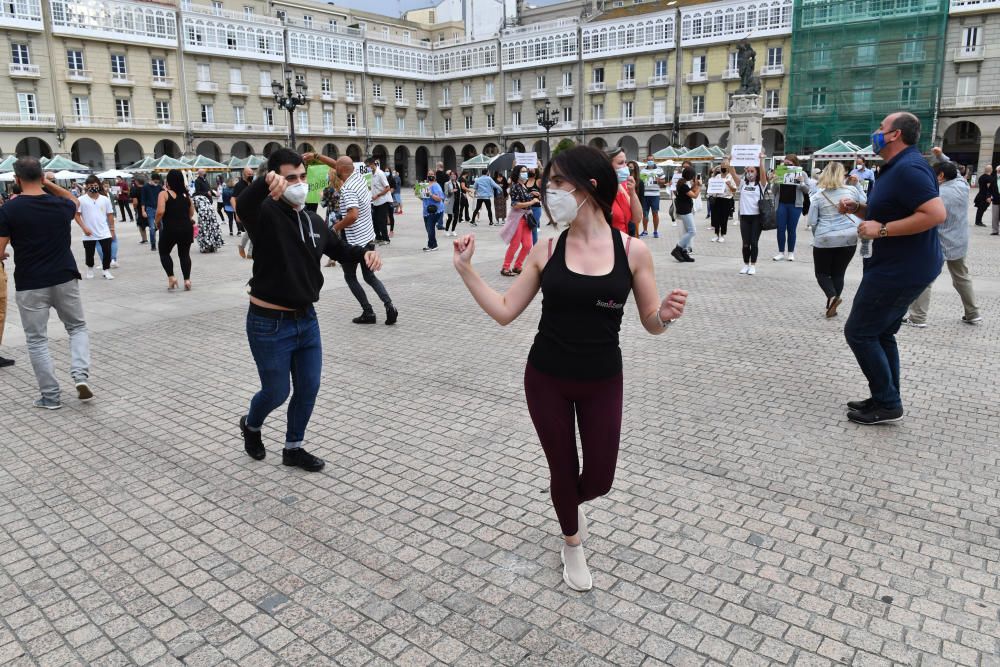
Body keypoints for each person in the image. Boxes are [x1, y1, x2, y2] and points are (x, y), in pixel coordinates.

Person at [452, 145, 688, 591]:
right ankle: (572, 542)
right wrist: (465, 270)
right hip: (546, 378)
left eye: (559, 183)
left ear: (589, 186)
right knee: (563, 467)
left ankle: (566, 499)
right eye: (549, 183)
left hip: (603, 380)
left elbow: (651, 323)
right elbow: (505, 311)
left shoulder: (633, 251)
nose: (549, 192)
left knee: (599, 477)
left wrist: (667, 317)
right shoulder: (546, 248)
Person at [235, 148, 384, 472]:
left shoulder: (313, 220)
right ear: (276, 179)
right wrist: (263, 182)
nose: (300, 184)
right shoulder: (266, 214)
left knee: (308, 388)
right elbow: (243, 205)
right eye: (291, 178)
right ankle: (251, 424)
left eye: (302, 177)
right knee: (276, 391)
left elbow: (339, 248)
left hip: (307, 321)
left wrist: (365, 255)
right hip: (269, 323)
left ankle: (293, 447)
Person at [838, 112, 946, 425]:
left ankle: (887, 402)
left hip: (902, 269)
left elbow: (935, 213)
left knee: (859, 332)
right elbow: (890, 210)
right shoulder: (896, 168)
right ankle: (886, 396)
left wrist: (881, 230)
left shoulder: (910, 168)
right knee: (882, 332)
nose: (876, 132)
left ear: (895, 134)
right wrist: (858, 209)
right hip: (897, 265)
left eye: (881, 128)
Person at [0, 158, 93, 409]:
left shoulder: (9, 209)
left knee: (37, 340)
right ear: (42, 176)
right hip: (64, 276)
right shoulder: (60, 204)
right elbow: (75, 201)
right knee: (77, 328)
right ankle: (80, 375)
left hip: (31, 282)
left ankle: (50, 397)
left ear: (16, 179)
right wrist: (49, 184)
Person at [904, 150, 981, 327]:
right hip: (960, 242)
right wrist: (941, 156)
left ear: (941, 176)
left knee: (924, 278)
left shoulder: (937, 196)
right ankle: (973, 313)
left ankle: (918, 317)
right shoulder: (962, 185)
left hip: (938, 243)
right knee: (962, 277)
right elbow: (953, 170)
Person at [324, 155, 398, 325]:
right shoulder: (357, 176)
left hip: (353, 242)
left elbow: (352, 215)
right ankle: (390, 306)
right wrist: (316, 156)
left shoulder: (348, 188)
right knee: (370, 277)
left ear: (341, 171)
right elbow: (340, 164)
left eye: (337, 169)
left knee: (350, 276)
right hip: (368, 237)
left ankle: (368, 312)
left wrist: (335, 228)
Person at [807, 162, 863, 318]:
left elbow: (812, 221)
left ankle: (832, 297)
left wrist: (816, 234)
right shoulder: (851, 191)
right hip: (848, 238)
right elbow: (864, 203)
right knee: (839, 273)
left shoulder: (818, 196)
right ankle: (833, 306)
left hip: (825, 238)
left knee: (822, 273)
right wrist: (857, 185)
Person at [155, 170, 195, 291]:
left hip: (171, 228)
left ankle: (172, 277)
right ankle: (187, 280)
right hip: (186, 228)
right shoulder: (186, 195)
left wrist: (156, 222)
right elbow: (191, 213)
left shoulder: (164, 194)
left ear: (169, 181)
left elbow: (160, 211)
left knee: (164, 252)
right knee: (184, 254)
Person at [76, 175, 116, 280]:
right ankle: (90, 269)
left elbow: (110, 214)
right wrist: (84, 227)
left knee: (107, 252)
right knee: (89, 253)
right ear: (86, 186)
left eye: (95, 185)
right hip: (88, 233)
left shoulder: (105, 199)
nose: (93, 187)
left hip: (104, 231)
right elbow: (76, 215)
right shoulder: (81, 200)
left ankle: (106, 270)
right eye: (91, 185)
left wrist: (112, 229)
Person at [773, 154, 811, 262]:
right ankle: (780, 252)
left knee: (791, 229)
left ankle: (791, 253)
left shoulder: (802, 173)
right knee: (780, 229)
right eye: (785, 163)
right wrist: (775, 181)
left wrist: (802, 182)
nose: (787, 166)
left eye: (789, 164)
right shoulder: (780, 172)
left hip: (795, 205)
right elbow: (774, 191)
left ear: (795, 164)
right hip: (781, 204)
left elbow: (807, 190)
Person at [502, 165, 537, 276]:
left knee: (527, 245)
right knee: (515, 244)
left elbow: (523, 197)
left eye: (526, 171)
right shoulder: (515, 186)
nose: (525, 173)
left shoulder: (523, 186)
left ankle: (517, 266)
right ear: (517, 173)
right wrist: (531, 202)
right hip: (518, 219)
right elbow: (515, 204)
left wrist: (531, 194)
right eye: (523, 171)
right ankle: (505, 268)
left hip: (526, 219)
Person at [738, 153, 768, 275]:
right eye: (748, 171)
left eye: (752, 171)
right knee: (745, 243)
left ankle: (753, 265)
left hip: (756, 217)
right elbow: (732, 173)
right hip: (744, 217)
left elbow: (763, 174)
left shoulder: (761, 185)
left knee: (754, 242)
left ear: (756, 173)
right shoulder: (742, 184)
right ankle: (746, 264)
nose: (750, 173)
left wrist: (761, 161)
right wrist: (730, 162)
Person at [605, 148, 642, 235]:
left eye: (625, 162)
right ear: (607, 166)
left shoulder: (623, 186)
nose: (626, 167)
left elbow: (637, 218)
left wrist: (632, 192)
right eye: (621, 163)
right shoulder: (598, 191)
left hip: (625, 241)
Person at [671, 167, 700, 262]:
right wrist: (699, 186)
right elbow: (695, 196)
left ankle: (684, 252)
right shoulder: (683, 185)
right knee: (692, 231)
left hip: (684, 210)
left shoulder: (681, 183)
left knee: (689, 231)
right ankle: (678, 248)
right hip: (685, 211)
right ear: (691, 176)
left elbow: (689, 192)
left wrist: (695, 185)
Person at [366, 158, 393, 245]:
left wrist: (378, 195)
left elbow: (387, 188)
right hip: (375, 201)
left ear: (372, 164)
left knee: (381, 220)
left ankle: (386, 239)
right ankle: (378, 237)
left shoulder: (380, 173)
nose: (367, 167)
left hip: (382, 201)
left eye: (367, 165)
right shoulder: (371, 174)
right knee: (374, 220)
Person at [709, 162, 737, 243]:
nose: (723, 168)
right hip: (717, 199)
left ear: (728, 168)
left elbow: (734, 190)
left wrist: (729, 185)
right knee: (716, 217)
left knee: (724, 218)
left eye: (724, 167)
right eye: (721, 167)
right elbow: (712, 184)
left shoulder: (731, 177)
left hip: (727, 199)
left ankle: (722, 235)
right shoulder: (717, 176)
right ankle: (716, 234)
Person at [638, 155, 666, 237]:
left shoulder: (659, 169)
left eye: (651, 160)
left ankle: (655, 231)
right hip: (645, 195)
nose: (650, 161)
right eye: (648, 160)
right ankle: (645, 231)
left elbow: (663, 181)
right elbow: (640, 182)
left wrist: (659, 180)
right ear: (646, 161)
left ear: (654, 160)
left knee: (655, 213)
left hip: (655, 195)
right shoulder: (642, 171)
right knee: (645, 214)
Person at [194, 179, 224, 253]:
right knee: (213, 229)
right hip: (211, 212)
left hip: (203, 214)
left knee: (204, 230)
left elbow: (194, 209)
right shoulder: (205, 197)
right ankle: (213, 246)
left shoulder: (195, 197)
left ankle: (205, 247)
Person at [140, 173, 163, 251]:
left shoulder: (159, 187)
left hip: (159, 208)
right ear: (151, 180)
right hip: (150, 209)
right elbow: (142, 200)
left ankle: (161, 244)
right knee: (152, 228)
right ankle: (153, 244)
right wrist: (143, 211)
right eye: (155, 182)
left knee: (161, 227)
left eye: (157, 182)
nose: (156, 183)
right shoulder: (145, 187)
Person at [422, 169, 445, 249]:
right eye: (429, 174)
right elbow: (424, 198)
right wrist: (419, 194)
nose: (430, 176)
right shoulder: (425, 185)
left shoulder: (436, 186)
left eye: (432, 174)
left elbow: (439, 198)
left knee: (430, 227)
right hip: (426, 210)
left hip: (435, 210)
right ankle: (433, 244)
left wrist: (431, 194)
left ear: (435, 176)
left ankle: (432, 245)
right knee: (428, 228)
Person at [230, 166, 254, 235]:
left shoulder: (252, 183)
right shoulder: (239, 185)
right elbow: (232, 199)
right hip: (245, 213)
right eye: (249, 174)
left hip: (253, 212)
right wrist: (237, 213)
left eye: (252, 174)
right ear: (244, 174)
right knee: (251, 232)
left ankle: (243, 245)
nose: (251, 176)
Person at [526, 167, 543, 244]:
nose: (530, 169)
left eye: (532, 168)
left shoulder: (538, 181)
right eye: (529, 168)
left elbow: (543, 195)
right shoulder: (524, 181)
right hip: (525, 208)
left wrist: (540, 195)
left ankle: (534, 248)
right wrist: (531, 193)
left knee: (533, 228)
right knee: (526, 229)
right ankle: (527, 247)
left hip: (536, 208)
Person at [626, 160, 643, 237]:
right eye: (627, 167)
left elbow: (641, 197)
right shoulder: (623, 180)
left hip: (635, 207)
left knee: (635, 229)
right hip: (626, 205)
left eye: (631, 168)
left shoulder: (640, 182)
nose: (628, 169)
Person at [130, 177, 146, 244]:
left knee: (140, 224)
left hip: (139, 209)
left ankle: (144, 239)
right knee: (151, 224)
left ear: (137, 182)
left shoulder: (135, 190)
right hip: (149, 208)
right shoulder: (146, 188)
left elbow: (135, 202)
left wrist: (135, 208)